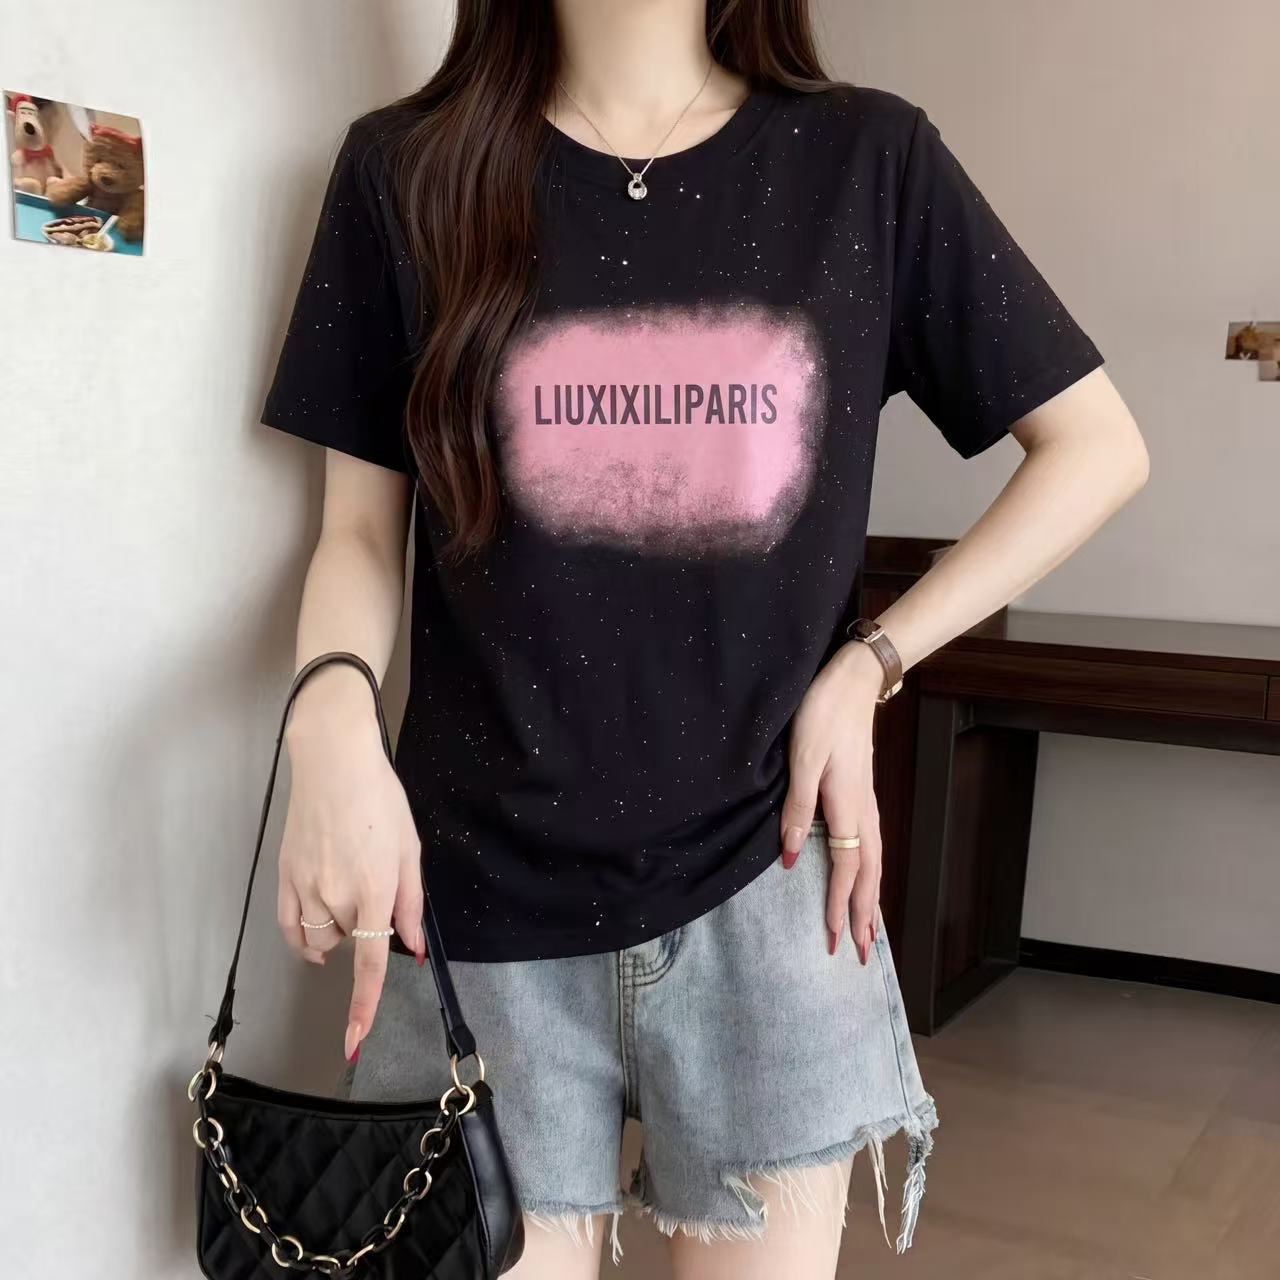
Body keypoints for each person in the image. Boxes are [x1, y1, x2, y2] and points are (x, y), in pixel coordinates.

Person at [260, 2, 1149, 1276]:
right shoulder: (403, 170)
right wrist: (330, 720)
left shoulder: (865, 161)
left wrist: (870, 662)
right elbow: (355, 529)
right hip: (472, 901)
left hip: (769, 890)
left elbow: (1094, 446)